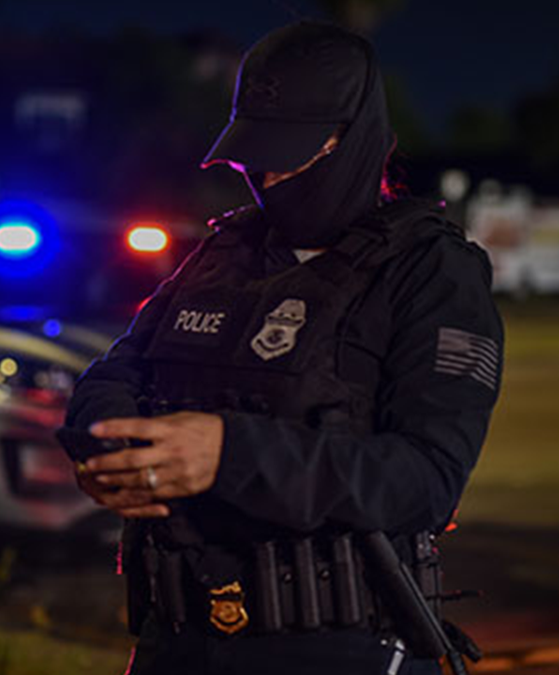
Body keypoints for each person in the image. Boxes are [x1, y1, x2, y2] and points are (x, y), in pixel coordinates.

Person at [62, 20, 503, 675]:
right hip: (179, 640)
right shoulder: (223, 252)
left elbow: (427, 480)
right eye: (254, 154)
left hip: (337, 647)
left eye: (289, 151)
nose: (266, 175)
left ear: (349, 139)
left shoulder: (430, 271)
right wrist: (109, 445)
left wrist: (230, 454)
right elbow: (111, 376)